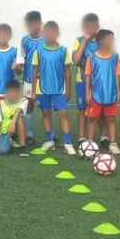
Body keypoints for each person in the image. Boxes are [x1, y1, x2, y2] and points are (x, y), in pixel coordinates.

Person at [32, 21, 75, 155]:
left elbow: (68, 71)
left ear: (57, 34)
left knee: (63, 114)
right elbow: (35, 71)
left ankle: (68, 143)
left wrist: (68, 90)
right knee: (46, 113)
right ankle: (49, 140)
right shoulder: (38, 51)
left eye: (52, 32)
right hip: (42, 88)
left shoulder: (63, 50)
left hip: (59, 88)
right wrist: (33, 91)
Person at [84, 29, 120, 153]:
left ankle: (113, 143)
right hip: (95, 94)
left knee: (111, 119)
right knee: (93, 119)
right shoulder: (92, 57)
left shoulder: (115, 57)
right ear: (100, 41)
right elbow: (88, 76)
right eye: (109, 39)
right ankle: (89, 145)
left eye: (112, 39)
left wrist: (118, 91)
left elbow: (117, 75)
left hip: (110, 94)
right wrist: (87, 92)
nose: (111, 42)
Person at [71, 13, 101, 145]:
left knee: (100, 108)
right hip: (82, 81)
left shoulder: (102, 41)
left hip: (99, 82)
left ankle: (104, 137)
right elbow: (76, 60)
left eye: (93, 26)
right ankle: (82, 137)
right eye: (87, 26)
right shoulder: (78, 40)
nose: (90, 28)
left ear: (98, 27)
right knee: (82, 109)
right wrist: (84, 41)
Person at [20, 11, 43, 140]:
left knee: (46, 108)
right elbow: (23, 59)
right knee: (28, 106)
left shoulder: (46, 39)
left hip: (44, 80)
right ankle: (28, 134)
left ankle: (49, 137)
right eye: (29, 25)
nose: (31, 27)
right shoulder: (24, 40)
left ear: (40, 24)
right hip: (28, 78)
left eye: (34, 24)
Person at [0, 80, 28, 156]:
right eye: (10, 92)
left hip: (15, 127)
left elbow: (18, 111)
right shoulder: (0, 105)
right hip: (5, 130)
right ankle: (9, 140)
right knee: (2, 151)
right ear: (6, 93)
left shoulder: (23, 101)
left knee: (19, 119)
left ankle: (23, 146)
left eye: (15, 93)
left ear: (19, 93)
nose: (13, 95)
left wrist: (12, 123)